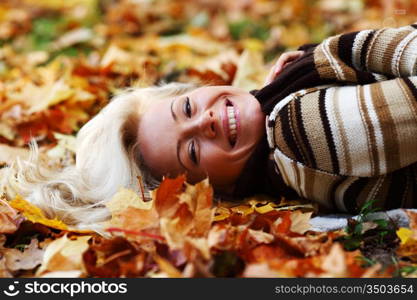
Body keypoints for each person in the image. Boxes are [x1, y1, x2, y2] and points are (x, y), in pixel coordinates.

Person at [2, 24, 417, 228]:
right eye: (193, 151)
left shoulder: (285, 108)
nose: (209, 121)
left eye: (186, 108)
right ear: (220, 190)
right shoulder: (302, 132)